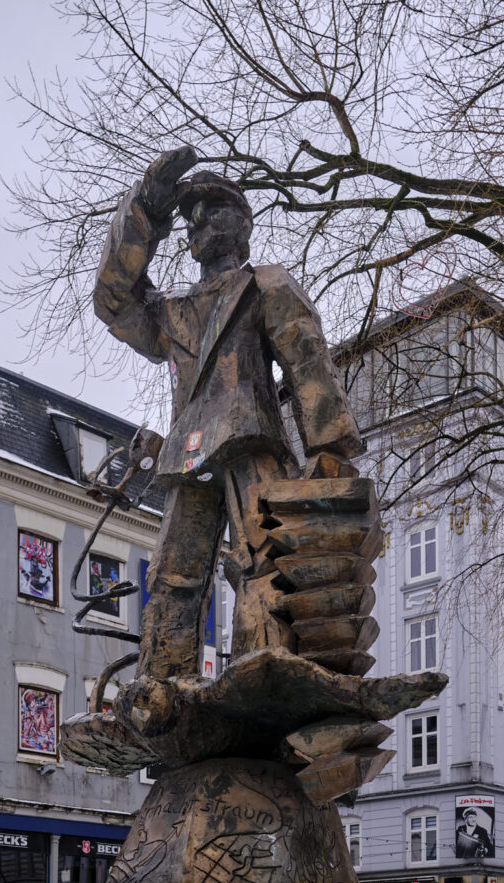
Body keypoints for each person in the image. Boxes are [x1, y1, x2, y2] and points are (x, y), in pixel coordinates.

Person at [94, 147, 363, 681]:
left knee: (263, 556)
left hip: (250, 442)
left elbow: (306, 361)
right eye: (190, 214)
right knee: (174, 575)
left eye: (210, 210)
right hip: (187, 456)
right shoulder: (171, 313)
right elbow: (113, 299)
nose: (197, 222)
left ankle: (261, 664)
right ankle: (163, 681)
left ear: (242, 224)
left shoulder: (265, 284)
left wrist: (329, 450)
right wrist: (145, 210)